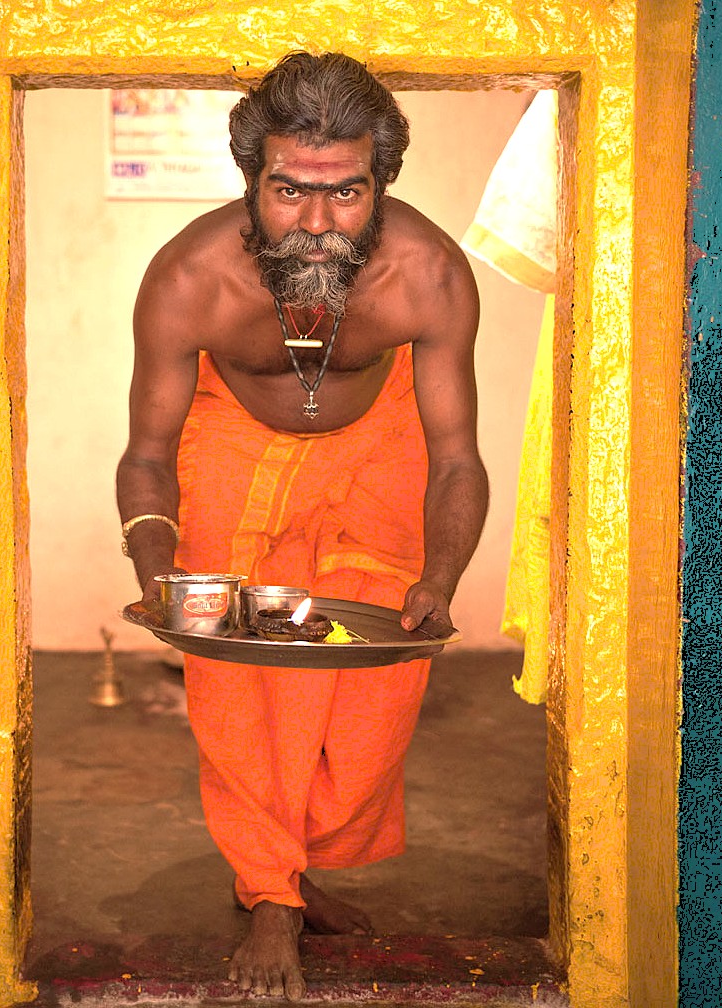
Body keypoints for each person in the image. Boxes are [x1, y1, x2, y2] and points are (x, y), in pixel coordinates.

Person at [116, 51, 488, 999]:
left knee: (372, 705)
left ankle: (294, 866)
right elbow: (149, 454)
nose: (317, 221)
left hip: (384, 448)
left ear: (381, 183)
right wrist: (162, 576)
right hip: (229, 448)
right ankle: (270, 896)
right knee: (238, 685)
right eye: (288, 191)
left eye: (347, 193)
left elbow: (455, 458)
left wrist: (439, 581)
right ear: (252, 178)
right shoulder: (188, 278)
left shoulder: (429, 276)